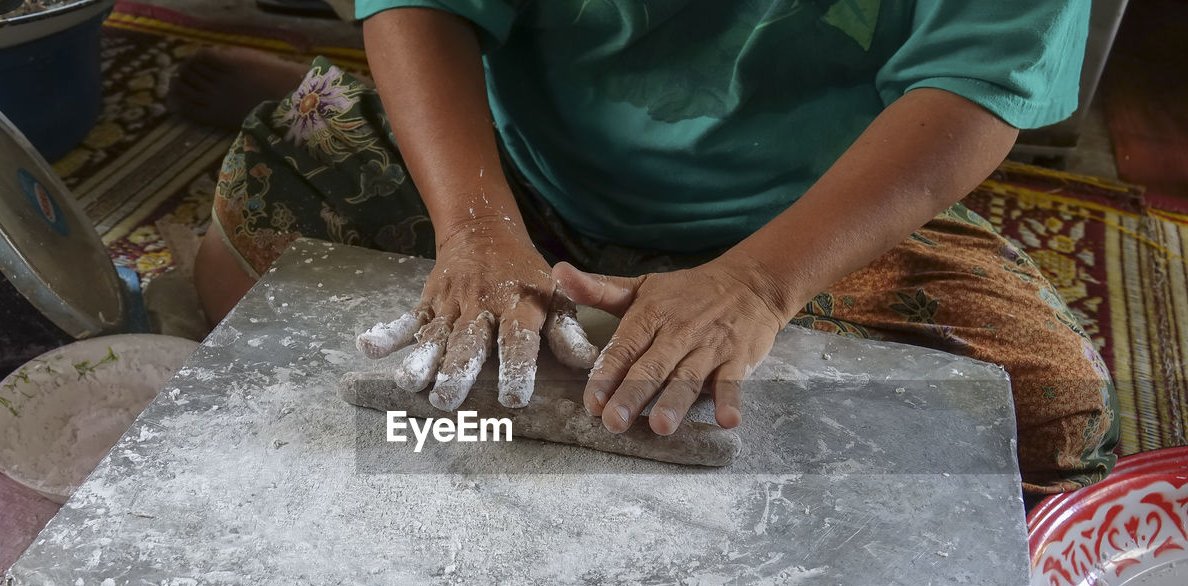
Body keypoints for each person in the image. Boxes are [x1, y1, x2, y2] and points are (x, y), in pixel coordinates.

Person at [181, 0, 1119, 496]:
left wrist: (758, 282)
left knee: (1047, 414)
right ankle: (331, 84)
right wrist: (475, 226)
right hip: (526, 162)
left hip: (804, 206)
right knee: (258, 204)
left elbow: (977, 77)